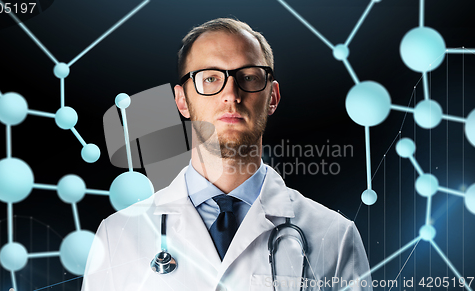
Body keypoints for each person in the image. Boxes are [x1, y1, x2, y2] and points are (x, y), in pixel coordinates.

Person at [81, 18, 372, 291]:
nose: (231, 94)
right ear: (182, 101)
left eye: (248, 76)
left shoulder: (334, 236)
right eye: (210, 78)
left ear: (272, 97)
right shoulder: (117, 235)